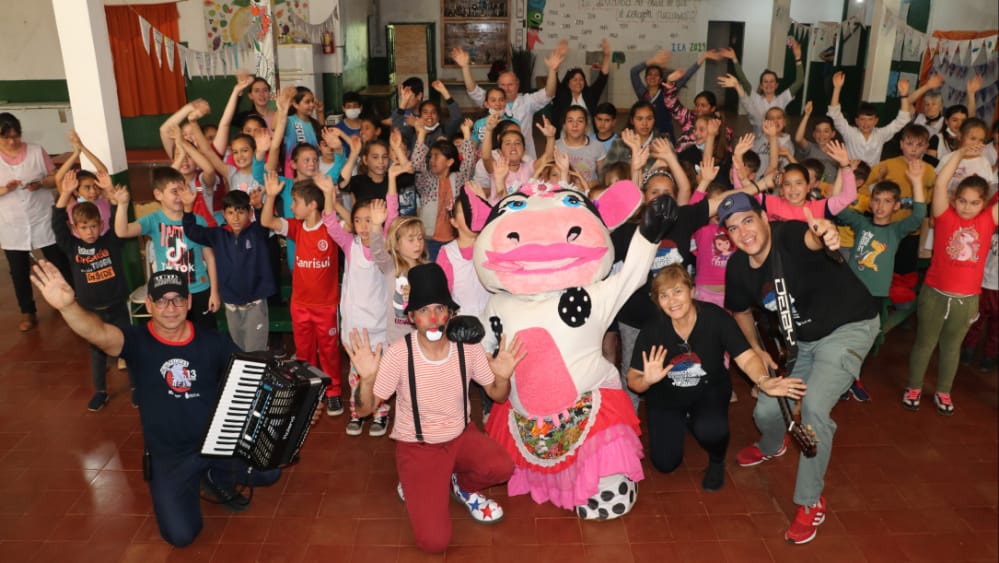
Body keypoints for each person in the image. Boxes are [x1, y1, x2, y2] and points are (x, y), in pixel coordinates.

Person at [29, 264, 282, 546]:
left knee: (270, 470)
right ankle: (196, 479)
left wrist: (294, 409)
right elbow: (99, 333)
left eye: (177, 299)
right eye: (161, 300)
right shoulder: (136, 341)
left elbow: (251, 384)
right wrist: (68, 306)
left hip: (216, 444)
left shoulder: (214, 342)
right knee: (181, 535)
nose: (169, 307)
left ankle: (213, 474)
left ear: (188, 303)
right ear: (149, 304)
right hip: (171, 457)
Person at [720, 192, 880, 545]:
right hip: (802, 342)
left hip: (848, 327)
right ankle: (772, 443)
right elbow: (741, 311)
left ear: (764, 217)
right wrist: (757, 349)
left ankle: (810, 502)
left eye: (748, 220)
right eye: (733, 228)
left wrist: (825, 233)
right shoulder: (737, 268)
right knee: (766, 406)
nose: (743, 232)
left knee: (813, 409)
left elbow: (812, 237)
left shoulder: (790, 236)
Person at [343, 262, 524, 554]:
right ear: (412, 317)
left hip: (461, 436)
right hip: (419, 446)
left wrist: (503, 376)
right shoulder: (399, 353)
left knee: (501, 466)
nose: (434, 318)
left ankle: (461, 485)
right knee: (434, 543)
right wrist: (366, 380)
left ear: (451, 314)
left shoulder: (468, 347)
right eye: (424, 311)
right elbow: (364, 411)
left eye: (440, 309)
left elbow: (498, 395)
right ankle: (417, 483)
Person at [627, 264, 779, 491]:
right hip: (666, 397)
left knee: (710, 429)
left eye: (678, 291)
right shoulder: (653, 330)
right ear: (658, 301)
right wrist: (647, 381)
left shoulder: (715, 318)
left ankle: (717, 461)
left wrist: (763, 380)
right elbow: (633, 379)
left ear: (692, 291)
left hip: (709, 388)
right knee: (665, 464)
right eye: (664, 295)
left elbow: (746, 358)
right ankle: (686, 420)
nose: (672, 300)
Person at [905, 146, 999, 415]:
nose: (967, 207)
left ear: (984, 204)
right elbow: (942, 182)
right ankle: (914, 386)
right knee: (925, 343)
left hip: (966, 301)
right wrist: (959, 154)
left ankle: (943, 391)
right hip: (934, 294)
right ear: (954, 199)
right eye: (963, 200)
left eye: (974, 202)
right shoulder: (944, 216)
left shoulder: (987, 221)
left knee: (951, 348)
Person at [260, 172, 344, 416]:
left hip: (326, 306)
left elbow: (337, 219)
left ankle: (334, 391)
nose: (292, 206)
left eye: (296, 202)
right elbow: (267, 221)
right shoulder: (296, 227)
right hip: (300, 305)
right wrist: (271, 195)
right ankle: (310, 389)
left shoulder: (330, 228)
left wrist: (330, 194)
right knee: (305, 351)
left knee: (329, 351)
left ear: (312, 205)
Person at [53, 170, 130, 411]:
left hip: (116, 305)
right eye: (84, 227)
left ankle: (138, 388)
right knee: (97, 353)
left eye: (94, 226)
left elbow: (119, 219)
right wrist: (65, 193)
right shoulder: (71, 245)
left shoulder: (110, 241)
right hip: (90, 310)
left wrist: (111, 194)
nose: (89, 232)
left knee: (128, 347)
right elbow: (56, 222)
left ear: (101, 225)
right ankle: (100, 391)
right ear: (75, 227)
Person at [114, 167, 220, 330]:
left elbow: (210, 258)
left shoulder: (198, 220)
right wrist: (122, 205)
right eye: (174, 191)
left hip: (199, 289)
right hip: (169, 293)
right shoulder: (153, 220)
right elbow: (122, 231)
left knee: (204, 335)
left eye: (182, 190)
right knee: (174, 336)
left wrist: (214, 292)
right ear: (158, 195)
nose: (180, 196)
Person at [0, 112, 74, 331]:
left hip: (41, 215)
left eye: (16, 136)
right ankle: (28, 311)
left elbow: (55, 179)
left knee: (57, 259)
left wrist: (41, 183)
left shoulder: (35, 150)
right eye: (6, 138)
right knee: (18, 269)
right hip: (11, 222)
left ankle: (70, 299)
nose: (12, 141)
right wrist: (5, 189)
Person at [181, 188, 275, 354]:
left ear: (249, 212)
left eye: (240, 212)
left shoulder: (257, 233)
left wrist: (260, 206)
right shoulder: (218, 235)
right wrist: (188, 209)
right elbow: (192, 231)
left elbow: (264, 224)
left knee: (255, 352)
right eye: (231, 213)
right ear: (224, 214)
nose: (236, 218)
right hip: (231, 304)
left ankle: (255, 378)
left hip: (254, 304)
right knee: (238, 349)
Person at [465, 40, 568, 159]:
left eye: (510, 85)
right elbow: (473, 90)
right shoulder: (492, 99)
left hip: (524, 156)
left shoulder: (527, 101)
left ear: (517, 85)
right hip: (497, 157)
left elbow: (548, 93)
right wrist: (465, 67)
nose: (506, 88)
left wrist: (552, 71)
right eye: (502, 85)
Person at [827, 72, 913, 167]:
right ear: (856, 121)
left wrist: (904, 95)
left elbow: (902, 119)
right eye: (862, 119)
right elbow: (834, 114)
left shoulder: (881, 134)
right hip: (851, 173)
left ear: (876, 121)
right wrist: (837, 88)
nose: (866, 123)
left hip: (872, 175)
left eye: (870, 119)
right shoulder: (849, 133)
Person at [550, 38, 611, 137]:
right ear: (568, 83)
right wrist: (558, 58)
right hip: (565, 136)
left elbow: (602, 78)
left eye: (581, 79)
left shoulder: (590, 94)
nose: (578, 82)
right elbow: (554, 79)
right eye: (574, 79)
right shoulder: (561, 94)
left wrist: (607, 56)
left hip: (588, 135)